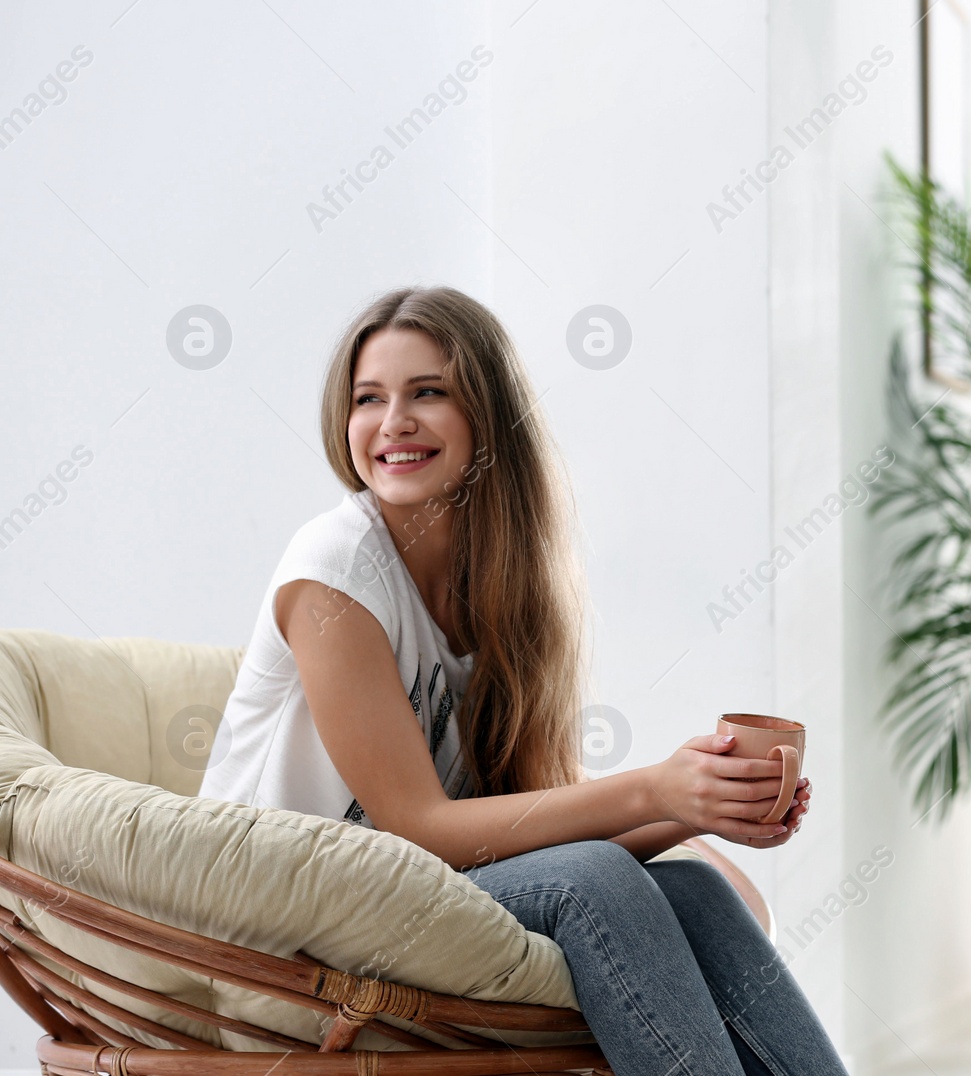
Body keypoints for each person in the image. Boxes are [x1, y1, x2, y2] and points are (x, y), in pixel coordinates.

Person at [199, 285, 846, 1076]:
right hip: (292, 915)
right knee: (593, 879)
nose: (393, 421)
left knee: (697, 893)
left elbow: (528, 823)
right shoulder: (335, 569)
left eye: (427, 393)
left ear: (487, 414)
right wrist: (656, 790)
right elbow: (416, 826)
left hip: (412, 897)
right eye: (369, 398)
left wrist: (695, 808)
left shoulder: (504, 590)